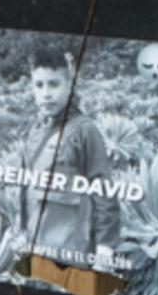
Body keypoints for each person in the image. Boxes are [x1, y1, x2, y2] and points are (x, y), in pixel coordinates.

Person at [14, 43, 119, 272]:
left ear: (69, 85)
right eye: (39, 85)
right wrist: (22, 230)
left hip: (73, 249)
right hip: (37, 245)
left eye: (54, 84)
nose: (46, 93)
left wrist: (104, 248)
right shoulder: (33, 131)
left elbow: (103, 190)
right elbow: (25, 186)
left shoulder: (85, 131)